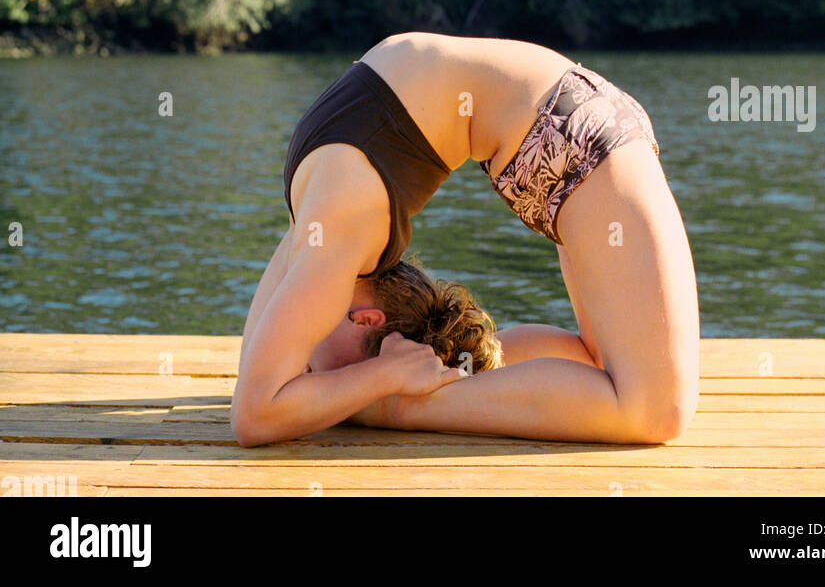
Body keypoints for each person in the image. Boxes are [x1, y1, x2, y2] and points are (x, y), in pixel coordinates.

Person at [231, 31, 699, 447]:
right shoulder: (322, 225)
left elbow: (255, 416)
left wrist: (379, 387)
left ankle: (406, 407)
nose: (305, 366)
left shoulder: (333, 240)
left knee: (656, 409)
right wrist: (376, 376)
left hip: (572, 136)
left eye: (314, 371)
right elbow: (257, 385)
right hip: (557, 130)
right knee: (599, 363)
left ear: (366, 319)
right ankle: (434, 384)